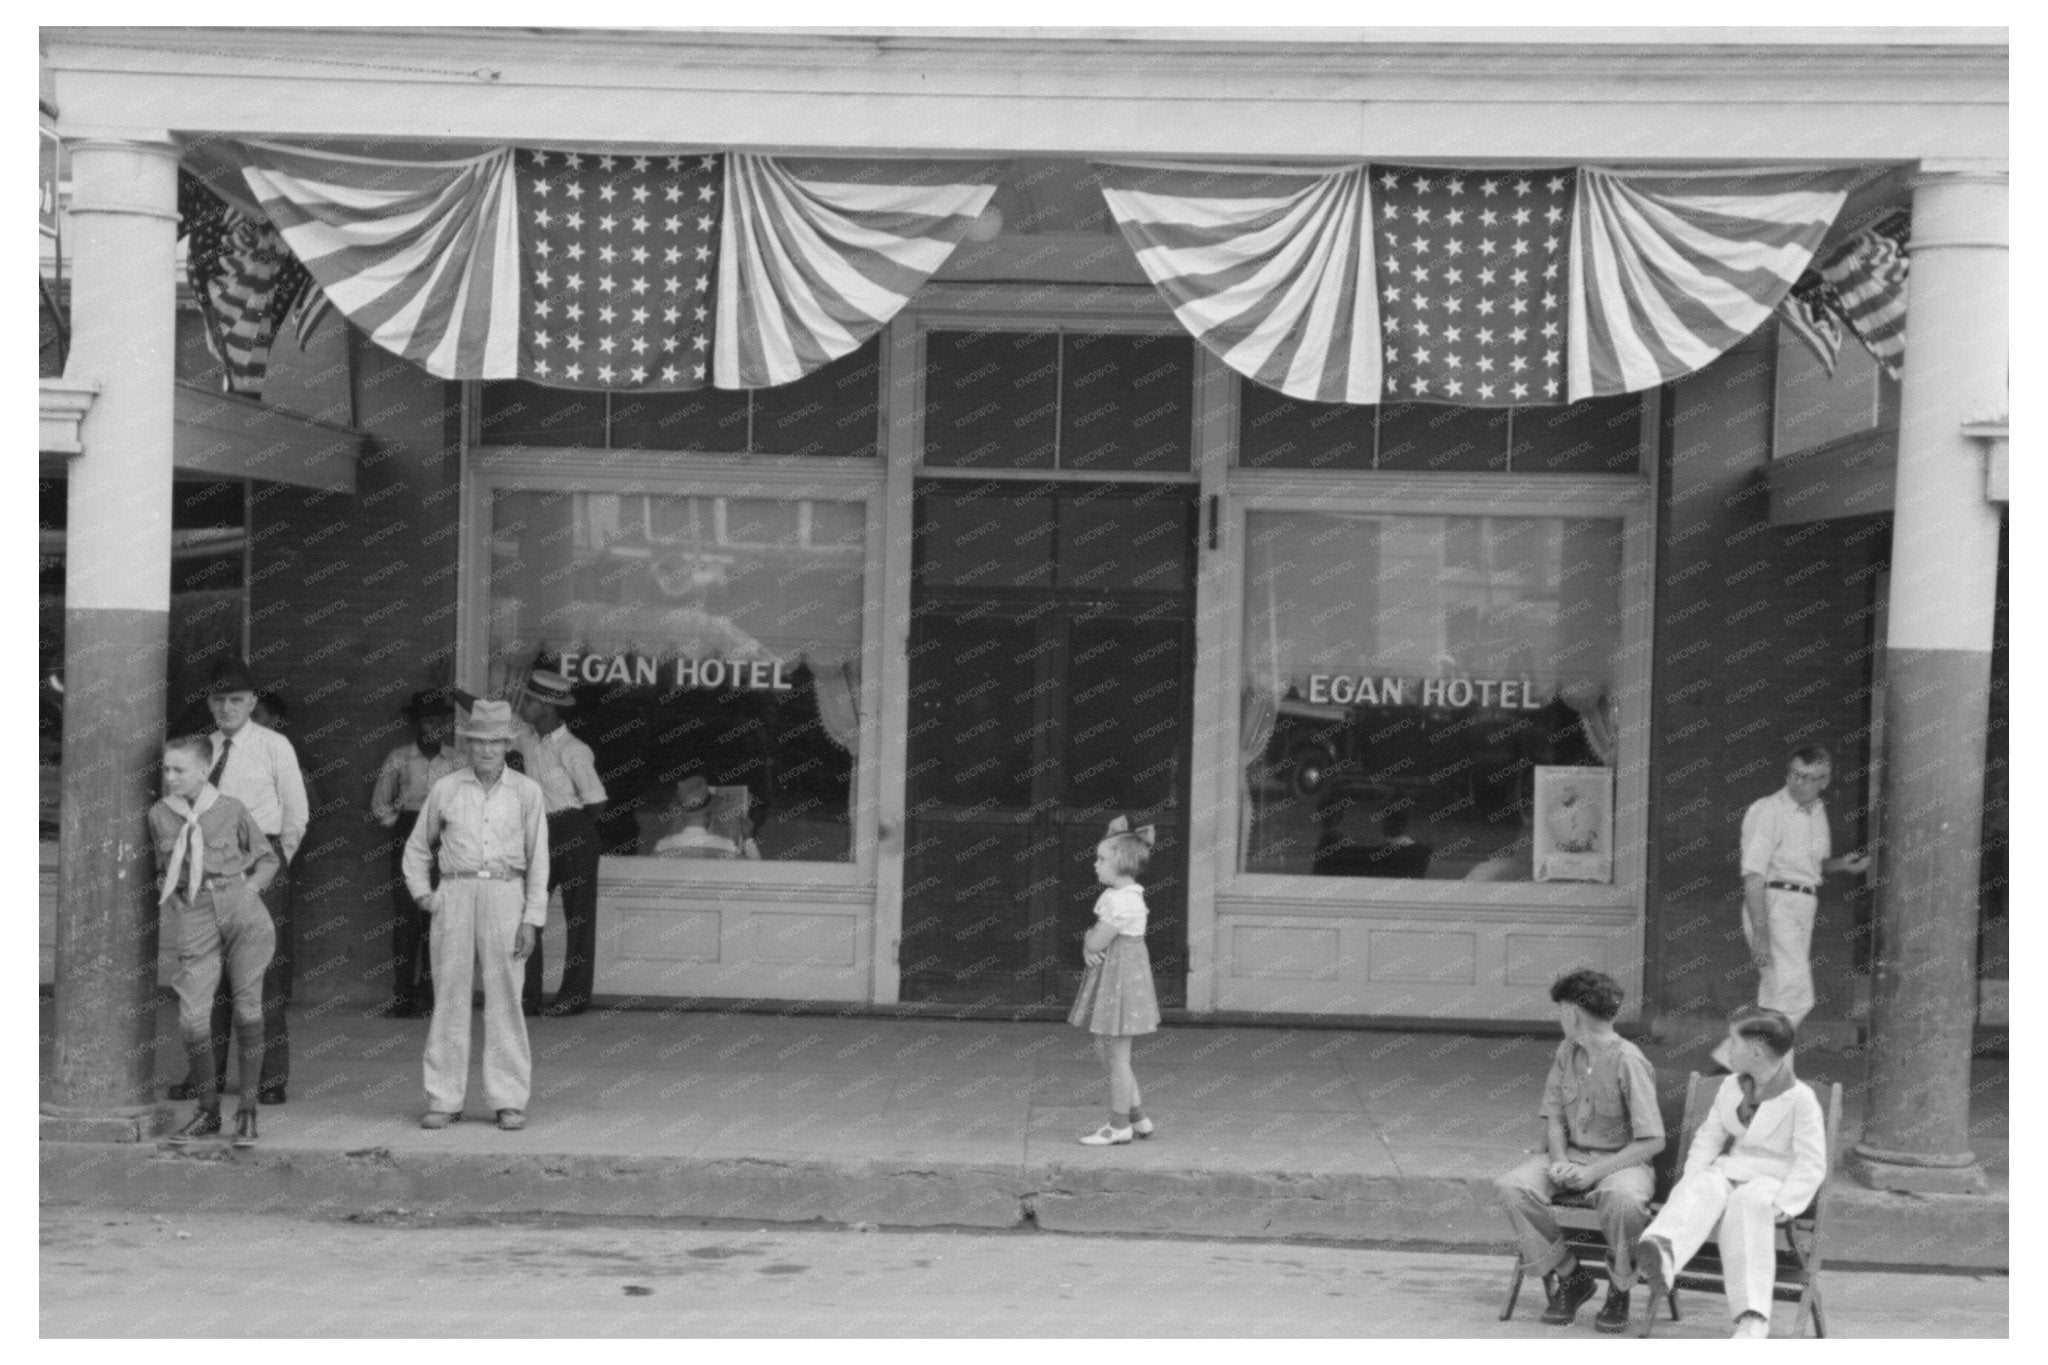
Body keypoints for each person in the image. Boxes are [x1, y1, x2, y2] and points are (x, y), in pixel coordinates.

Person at [402, 700, 549, 1132]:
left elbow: (539, 859)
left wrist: (531, 918)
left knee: (506, 997)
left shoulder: (527, 792)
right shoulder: (446, 788)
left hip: (506, 891)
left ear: (507, 744)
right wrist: (424, 894)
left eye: (495, 743)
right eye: (479, 742)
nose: (487, 751)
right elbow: (415, 849)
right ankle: (444, 1098)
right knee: (449, 995)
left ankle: (508, 1098)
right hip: (456, 890)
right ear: (466, 744)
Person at [1637, 1007, 1828, 1339]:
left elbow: (1812, 1162)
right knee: (1705, 1185)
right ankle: (1662, 1250)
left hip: (1773, 1178)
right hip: (1732, 1167)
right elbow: (1710, 1136)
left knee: (1748, 1203)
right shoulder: (1731, 1085)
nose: (1727, 1048)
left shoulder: (1800, 1099)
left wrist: (1786, 1204)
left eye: (1734, 1041)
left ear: (1755, 1052)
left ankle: (1753, 1315)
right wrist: (1690, 1180)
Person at [167, 658, 307, 1106]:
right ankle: (203, 1076)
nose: (227, 708)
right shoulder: (200, 750)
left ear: (252, 702)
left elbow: (296, 814)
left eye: (236, 700)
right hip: (209, 867)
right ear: (209, 704)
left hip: (258, 863)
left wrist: (272, 866)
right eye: (219, 700)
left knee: (260, 970)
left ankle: (269, 1078)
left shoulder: (274, 746)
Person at [1494, 968, 1666, 1333]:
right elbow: (1554, 1118)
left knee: (1623, 1202)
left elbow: (1653, 1141)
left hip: (1622, 1161)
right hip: (1571, 1155)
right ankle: (1571, 1277)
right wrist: (1557, 1161)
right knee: (1512, 1187)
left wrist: (1591, 1173)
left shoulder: (1628, 1060)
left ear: (1572, 1012)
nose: (1560, 1019)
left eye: (1561, 1010)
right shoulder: (1567, 1052)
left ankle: (1620, 1288)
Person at [150, 735, 279, 1147]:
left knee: (248, 1010)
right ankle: (207, 1110)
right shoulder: (159, 815)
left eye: (179, 770)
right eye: (166, 769)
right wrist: (182, 909)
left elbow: (267, 857)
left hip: (242, 908)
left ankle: (247, 1111)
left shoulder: (231, 809)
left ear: (203, 771)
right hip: (196, 910)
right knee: (191, 1017)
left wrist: (249, 891)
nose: (170, 777)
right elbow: (161, 869)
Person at [1710, 746, 1872, 1069]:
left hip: (1803, 904)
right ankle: (1734, 1063)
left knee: (1778, 996)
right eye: (1794, 775)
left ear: (1825, 781)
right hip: (1773, 902)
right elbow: (1754, 872)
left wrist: (1844, 865)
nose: (1799, 784)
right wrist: (1760, 933)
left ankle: (1759, 1075)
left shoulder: (1817, 810)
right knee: (1796, 994)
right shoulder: (1768, 810)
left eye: (1809, 779)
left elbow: (1813, 865)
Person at [512, 670, 607, 1018]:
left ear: (550, 706)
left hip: (573, 827)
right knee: (527, 912)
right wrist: (456, 692)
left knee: (578, 918)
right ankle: (527, 997)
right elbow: (485, 716)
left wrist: (574, 831)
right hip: (540, 830)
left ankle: (574, 997)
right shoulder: (526, 737)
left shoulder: (574, 749)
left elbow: (597, 801)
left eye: (532, 701)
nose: (525, 706)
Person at [1066, 815, 1162, 1146]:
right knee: (1107, 1049)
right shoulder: (1118, 897)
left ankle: (1119, 1126)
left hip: (1121, 984)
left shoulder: (1124, 900)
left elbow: (1096, 942)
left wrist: (1086, 941)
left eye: (1102, 859)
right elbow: (1096, 940)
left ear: (1120, 863)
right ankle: (1138, 1118)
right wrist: (1089, 940)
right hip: (1116, 979)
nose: (1096, 865)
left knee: (1117, 1055)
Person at [369, 690, 462, 1017]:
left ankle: (431, 995)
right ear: (418, 723)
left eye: (439, 719)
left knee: (439, 917)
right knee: (407, 917)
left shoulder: (456, 760)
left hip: (446, 837)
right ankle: (403, 996)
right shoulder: (399, 757)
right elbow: (380, 803)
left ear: (445, 723)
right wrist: (398, 821)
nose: (433, 725)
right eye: (427, 719)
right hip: (409, 832)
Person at [652, 776, 761, 859]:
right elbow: (756, 873)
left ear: (680, 815)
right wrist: (748, 838)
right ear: (710, 814)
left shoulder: (662, 846)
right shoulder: (727, 847)